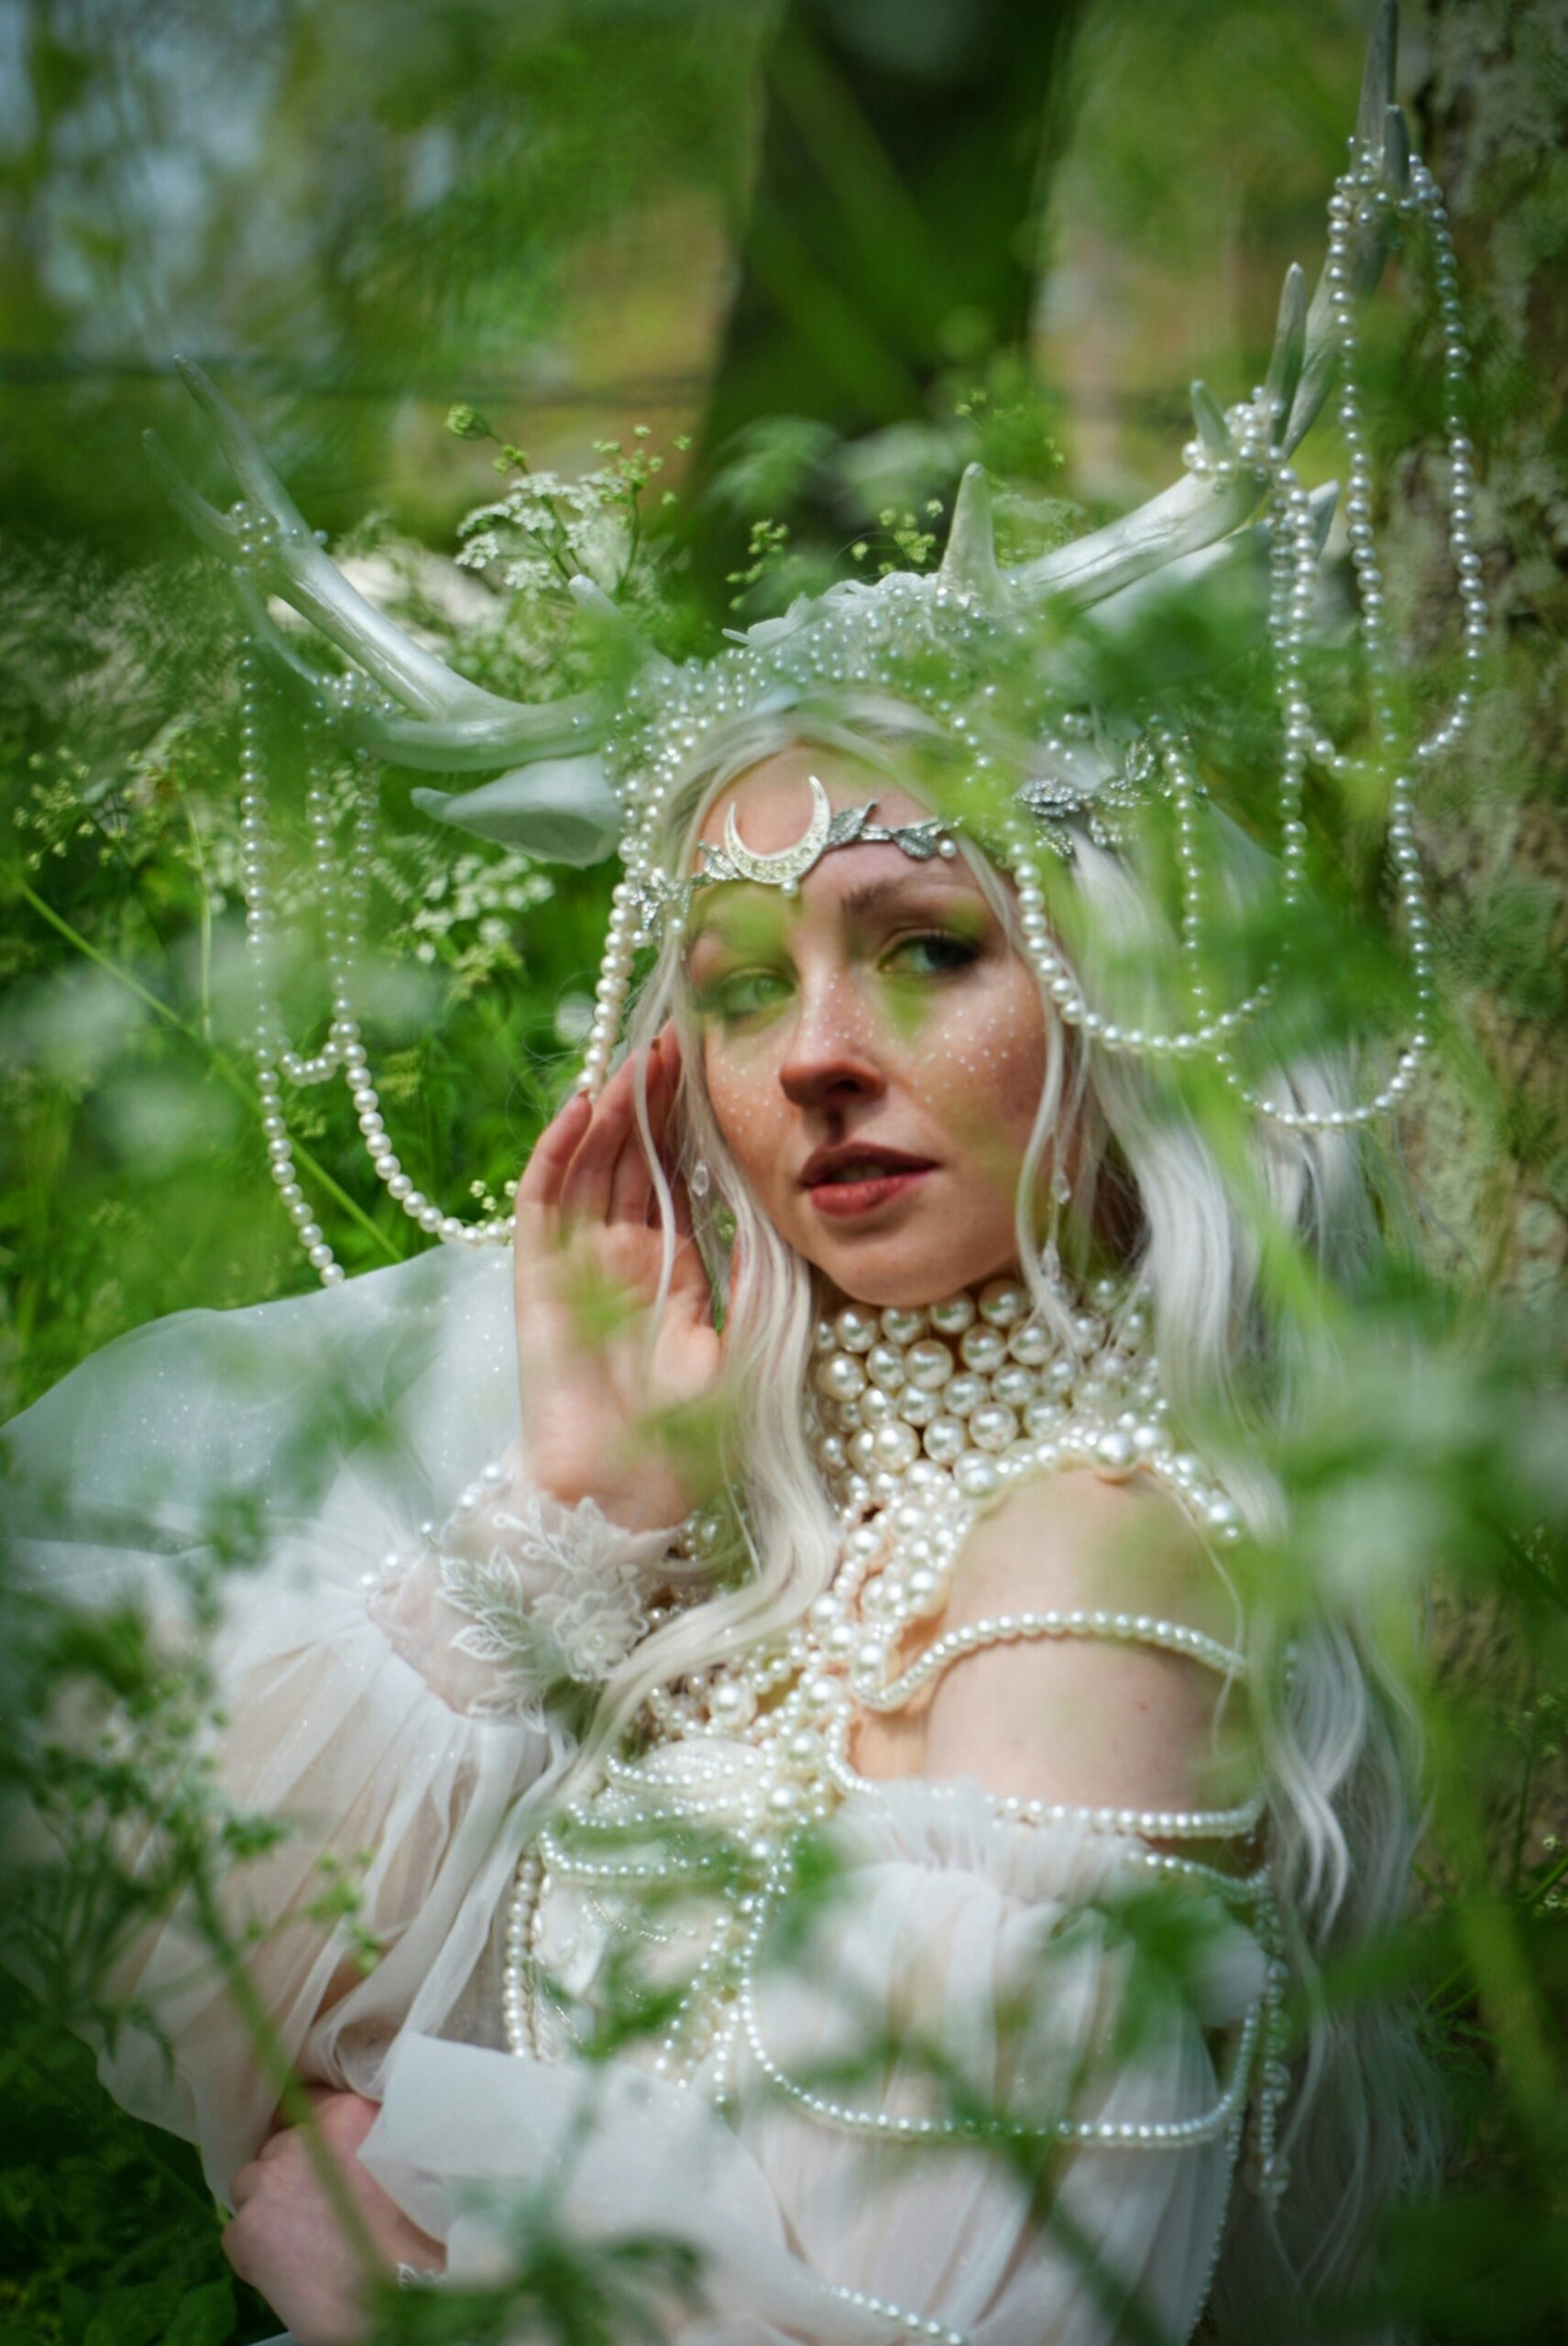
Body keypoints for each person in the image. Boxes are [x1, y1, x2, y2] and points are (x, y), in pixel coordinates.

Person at [5, 8, 1468, 2340]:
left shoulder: (1092, 1567)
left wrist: (377, 2290)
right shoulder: (720, 1534)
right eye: (734, 980)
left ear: (1103, 979)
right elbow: (213, 2013)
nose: (814, 1060)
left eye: (927, 950)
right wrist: (577, 1514)